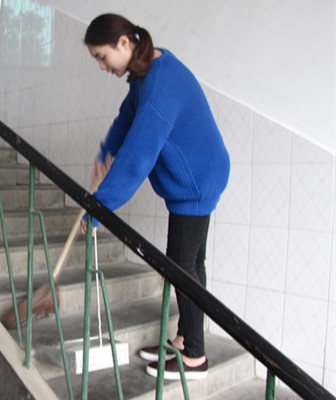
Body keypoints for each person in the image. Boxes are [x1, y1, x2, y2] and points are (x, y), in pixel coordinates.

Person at [80, 13, 230, 380]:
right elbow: (127, 117)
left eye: (102, 57)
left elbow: (137, 158)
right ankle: (186, 337)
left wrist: (98, 208)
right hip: (201, 173)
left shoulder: (160, 84)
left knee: (181, 263)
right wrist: (106, 150)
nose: (102, 66)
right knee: (190, 261)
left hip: (196, 181)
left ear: (123, 43)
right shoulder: (147, 72)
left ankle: (195, 357)